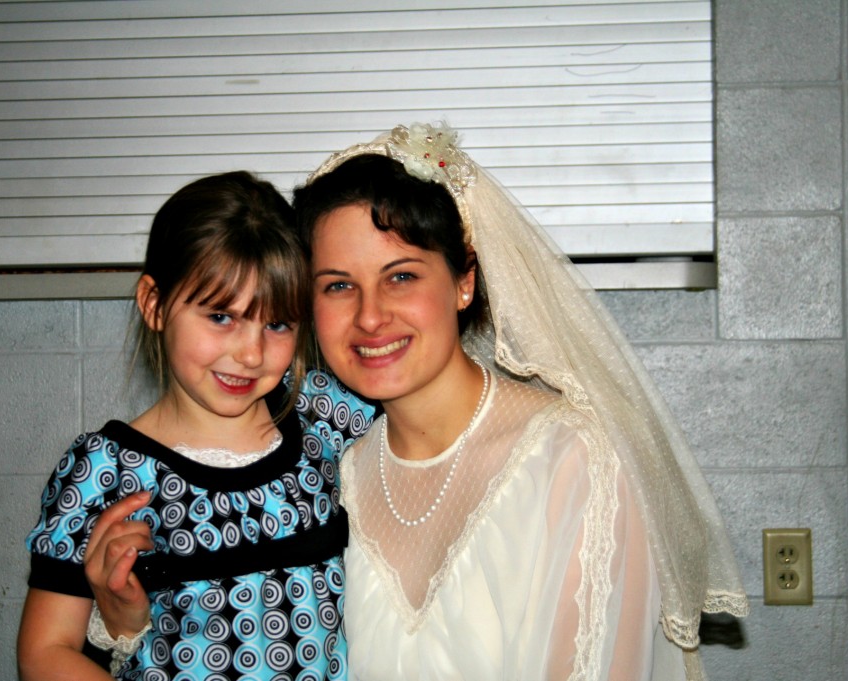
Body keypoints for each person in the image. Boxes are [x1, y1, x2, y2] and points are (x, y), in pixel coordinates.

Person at [287, 123, 748, 680]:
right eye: (338, 285)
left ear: (464, 282)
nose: (369, 315)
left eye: (401, 276)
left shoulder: (573, 461)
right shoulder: (329, 474)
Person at [16, 171, 374, 680]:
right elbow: (45, 653)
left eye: (277, 324)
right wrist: (118, 619)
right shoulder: (103, 472)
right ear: (154, 305)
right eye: (221, 317)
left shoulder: (326, 412)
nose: (250, 353)